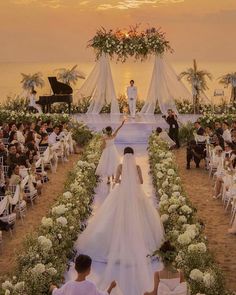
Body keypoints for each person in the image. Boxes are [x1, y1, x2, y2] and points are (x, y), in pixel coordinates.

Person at [76, 147, 164, 295]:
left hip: (121, 193)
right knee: (141, 218)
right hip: (135, 195)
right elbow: (141, 182)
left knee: (112, 217)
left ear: (124, 155)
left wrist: (124, 180)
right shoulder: (136, 167)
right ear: (133, 155)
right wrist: (132, 182)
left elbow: (116, 181)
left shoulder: (120, 166)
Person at [50, 254, 116, 295]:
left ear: (75, 268)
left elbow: (56, 293)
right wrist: (111, 287)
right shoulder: (91, 286)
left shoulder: (69, 285)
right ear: (88, 270)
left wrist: (53, 288)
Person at [96, 120, 125, 184]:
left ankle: (108, 179)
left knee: (107, 163)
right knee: (113, 163)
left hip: (106, 151)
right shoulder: (113, 136)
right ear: (111, 131)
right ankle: (113, 178)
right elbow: (117, 129)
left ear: (106, 131)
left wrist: (101, 148)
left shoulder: (104, 138)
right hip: (113, 150)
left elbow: (103, 146)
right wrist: (122, 124)